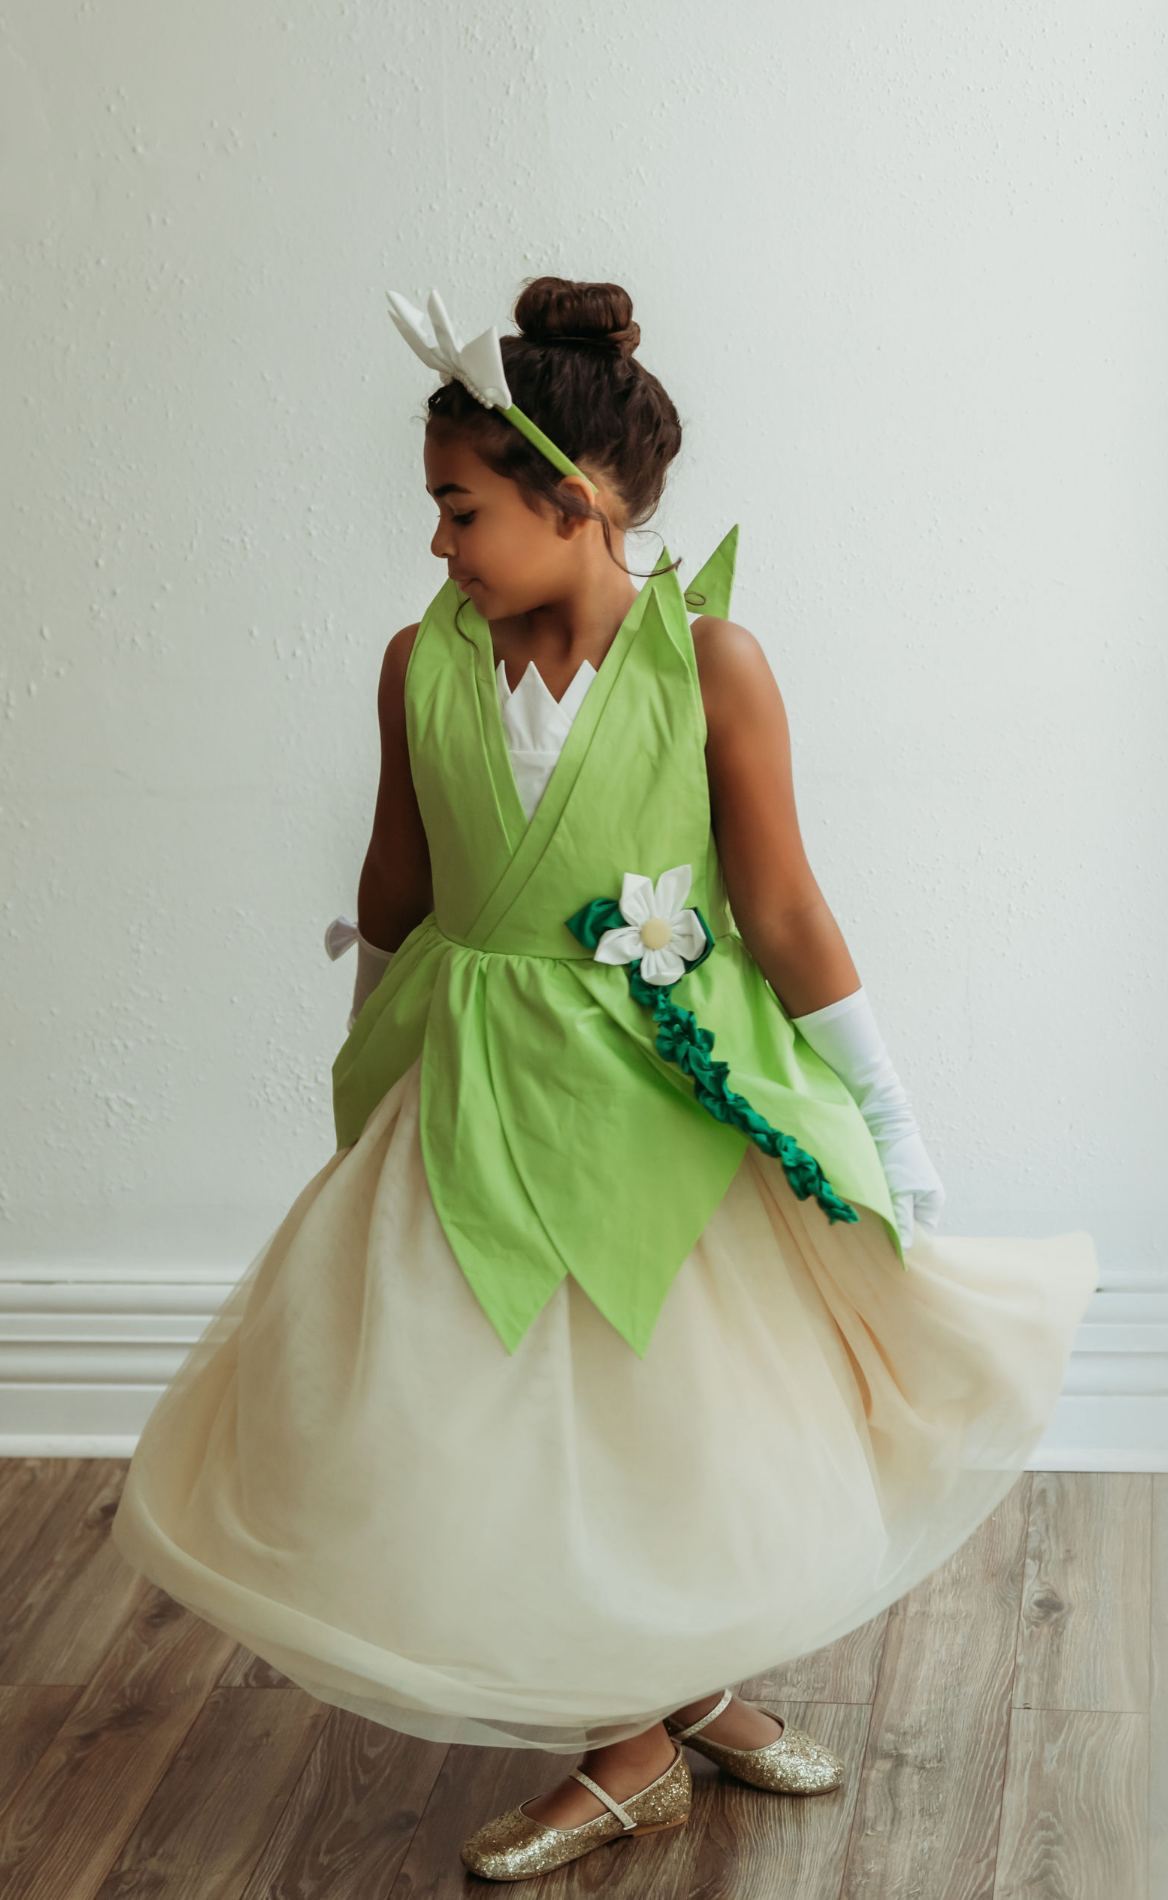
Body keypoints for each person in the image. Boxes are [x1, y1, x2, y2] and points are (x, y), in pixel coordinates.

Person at [110, 276, 1099, 1882]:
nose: (438, 546)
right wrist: (368, 1050)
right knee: (506, 1415)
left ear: (572, 506)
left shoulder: (709, 665)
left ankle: (657, 1707)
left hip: (653, 1112)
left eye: (460, 509)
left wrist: (890, 1116)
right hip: (477, 1097)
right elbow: (398, 879)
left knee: (660, 1418)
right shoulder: (416, 664)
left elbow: (780, 906)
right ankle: (646, 1721)